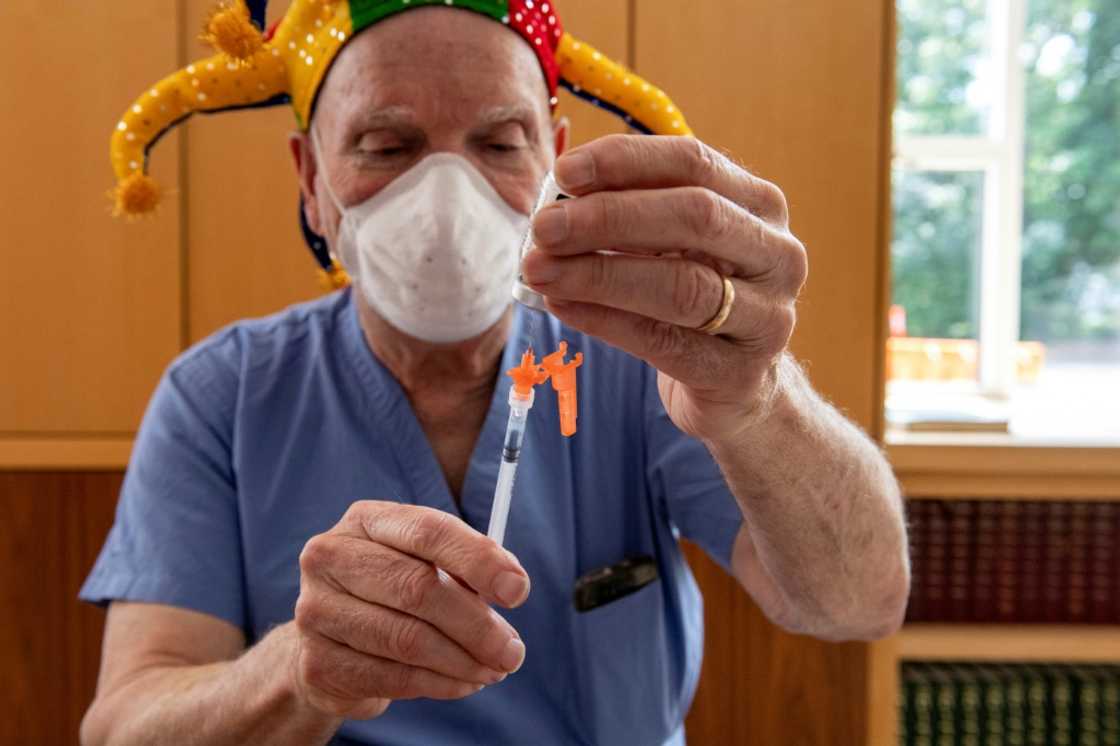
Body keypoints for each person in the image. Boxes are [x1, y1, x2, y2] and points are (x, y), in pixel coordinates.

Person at [81, 2, 910, 744]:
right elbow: (127, 725)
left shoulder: (646, 363)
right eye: (388, 146)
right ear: (311, 181)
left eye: (500, 143)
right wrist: (301, 668)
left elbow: (858, 602)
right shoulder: (224, 397)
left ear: (555, 159)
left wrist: (756, 395)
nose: (447, 197)